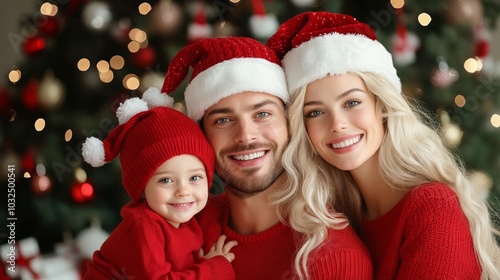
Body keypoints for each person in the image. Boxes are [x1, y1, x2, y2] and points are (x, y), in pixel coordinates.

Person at [267, 11, 500, 279]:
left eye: (352, 103)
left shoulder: (433, 208)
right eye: (315, 112)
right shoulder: (337, 214)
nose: (337, 124)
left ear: (382, 105)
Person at [160, 36, 373, 279]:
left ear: (289, 125)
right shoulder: (182, 221)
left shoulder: (332, 258)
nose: (246, 136)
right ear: (202, 137)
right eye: (222, 120)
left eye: (262, 114)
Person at [81, 89, 237, 279]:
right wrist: (213, 269)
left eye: (195, 178)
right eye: (166, 180)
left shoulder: (189, 218)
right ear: (142, 188)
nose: (183, 191)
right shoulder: (143, 227)